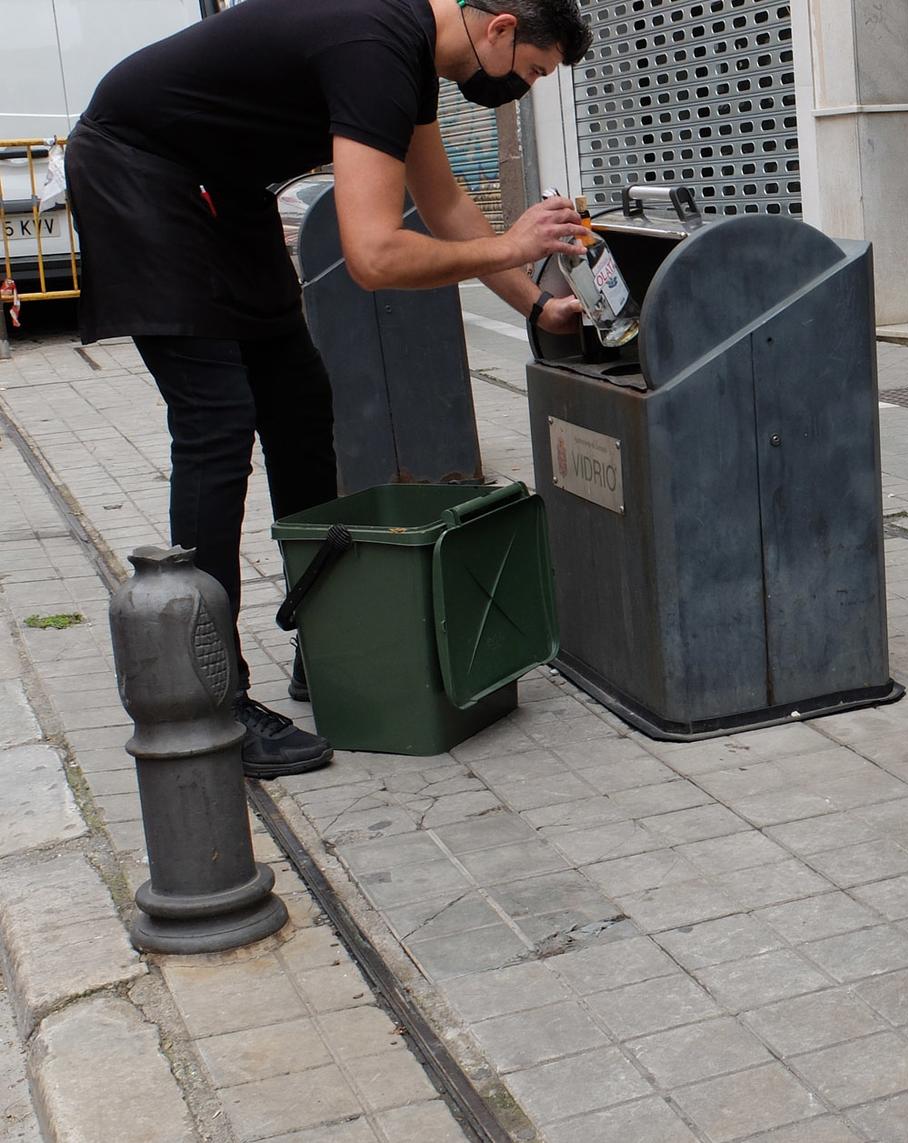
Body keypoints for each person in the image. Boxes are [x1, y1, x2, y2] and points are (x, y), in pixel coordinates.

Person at [65, 0, 593, 778]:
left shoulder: (408, 56)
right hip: (139, 169)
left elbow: (443, 204)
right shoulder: (377, 45)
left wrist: (539, 304)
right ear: (501, 29)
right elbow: (373, 256)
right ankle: (208, 695)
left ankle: (330, 641)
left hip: (221, 182)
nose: (526, 87)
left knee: (301, 408)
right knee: (219, 420)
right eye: (534, 72)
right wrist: (511, 241)